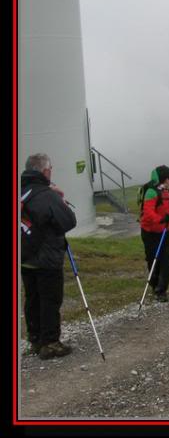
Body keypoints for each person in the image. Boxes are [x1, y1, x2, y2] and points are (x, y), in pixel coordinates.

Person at [20, 153, 77, 359]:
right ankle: (50, 343)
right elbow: (68, 221)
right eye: (50, 168)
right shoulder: (47, 194)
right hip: (46, 258)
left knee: (32, 299)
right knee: (50, 300)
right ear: (44, 171)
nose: (51, 171)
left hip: (25, 257)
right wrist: (60, 196)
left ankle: (35, 340)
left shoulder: (21, 192)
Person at [139, 165, 169, 303]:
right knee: (153, 260)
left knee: (167, 262)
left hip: (166, 230)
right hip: (150, 232)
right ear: (166, 179)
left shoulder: (166, 191)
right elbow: (148, 214)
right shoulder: (151, 192)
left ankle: (161, 291)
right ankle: (155, 286)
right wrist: (161, 220)